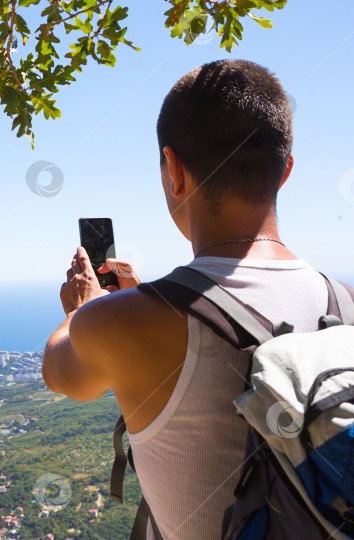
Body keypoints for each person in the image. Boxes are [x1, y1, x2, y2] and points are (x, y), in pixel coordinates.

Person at [42, 59, 350, 538]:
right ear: (285, 171)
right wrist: (146, 301)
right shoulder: (346, 306)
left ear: (174, 172)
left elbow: (61, 377)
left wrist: (88, 306)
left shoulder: (119, 322)